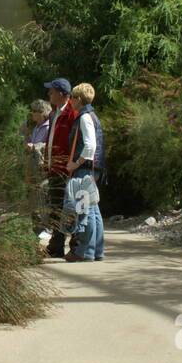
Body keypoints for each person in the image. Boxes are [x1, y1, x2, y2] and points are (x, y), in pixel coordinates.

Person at [64, 83, 105, 262]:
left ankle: (83, 252)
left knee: (83, 210)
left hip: (84, 170)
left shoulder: (84, 117)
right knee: (93, 209)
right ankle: (96, 251)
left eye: (72, 97)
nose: (70, 101)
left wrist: (75, 164)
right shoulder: (92, 116)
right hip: (93, 169)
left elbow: (89, 146)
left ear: (78, 99)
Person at [41, 79, 79, 259]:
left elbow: (76, 142)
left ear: (62, 94)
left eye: (52, 91)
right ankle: (55, 246)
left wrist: (73, 164)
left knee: (70, 209)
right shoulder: (53, 113)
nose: (49, 94)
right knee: (55, 208)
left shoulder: (73, 113)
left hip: (67, 169)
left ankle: (75, 246)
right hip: (54, 168)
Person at [21, 99, 51, 234]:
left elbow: (47, 148)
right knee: (33, 201)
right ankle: (37, 230)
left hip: (41, 172)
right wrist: (26, 135)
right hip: (32, 170)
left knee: (40, 200)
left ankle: (43, 230)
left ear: (42, 113)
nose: (31, 114)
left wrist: (34, 147)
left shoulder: (48, 128)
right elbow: (30, 146)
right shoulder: (37, 128)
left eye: (34, 111)